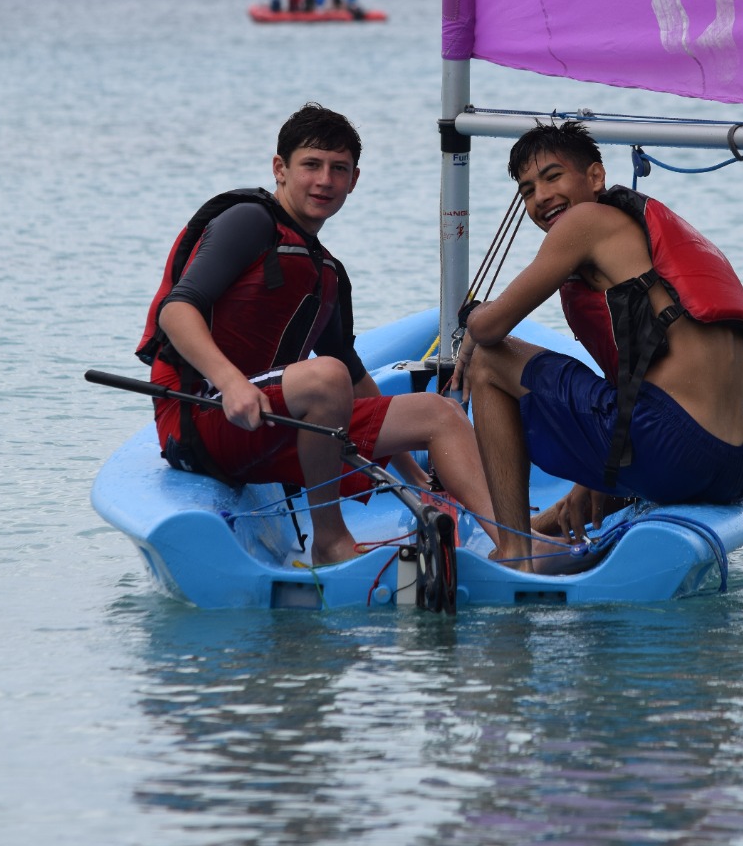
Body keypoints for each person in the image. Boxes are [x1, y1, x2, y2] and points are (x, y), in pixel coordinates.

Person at [138, 103, 494, 565]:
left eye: (338, 169)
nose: (325, 180)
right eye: (311, 165)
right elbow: (176, 310)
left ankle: (515, 546)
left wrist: (414, 477)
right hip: (202, 415)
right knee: (325, 378)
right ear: (280, 169)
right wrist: (232, 383)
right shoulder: (249, 221)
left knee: (440, 413)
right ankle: (331, 540)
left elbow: (354, 373)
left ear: (354, 179)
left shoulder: (327, 271)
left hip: (270, 421)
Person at [453, 122, 743, 572]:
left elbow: (489, 327)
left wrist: (471, 321)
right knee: (614, 443)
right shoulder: (638, 233)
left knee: (487, 361)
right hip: (735, 466)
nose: (541, 197)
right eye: (527, 190)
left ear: (595, 176)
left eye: (553, 176)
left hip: (673, 447)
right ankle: (545, 525)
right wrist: (590, 480)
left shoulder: (584, 222)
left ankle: (515, 553)